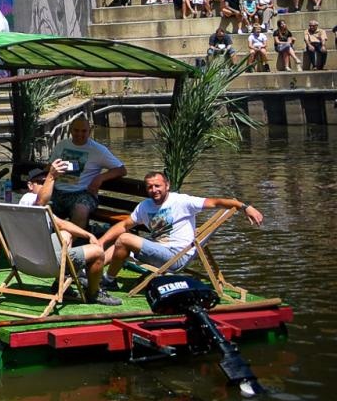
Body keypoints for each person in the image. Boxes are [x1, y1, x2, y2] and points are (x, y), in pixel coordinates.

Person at [100, 170, 262, 280]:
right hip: (158, 251)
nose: (154, 190)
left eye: (158, 186)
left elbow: (216, 202)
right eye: (150, 187)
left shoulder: (182, 201)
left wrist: (245, 207)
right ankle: (90, 272)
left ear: (167, 186)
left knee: (124, 239)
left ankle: (109, 280)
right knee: (118, 243)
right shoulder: (145, 206)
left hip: (176, 257)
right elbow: (124, 225)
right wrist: (100, 243)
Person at [18, 162, 119, 305]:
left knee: (65, 234)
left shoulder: (24, 204)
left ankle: (61, 283)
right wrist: (51, 176)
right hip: (43, 263)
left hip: (22, 260)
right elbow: (41, 201)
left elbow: (62, 223)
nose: (45, 184)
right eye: (41, 182)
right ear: (30, 185)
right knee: (97, 252)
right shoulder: (31, 200)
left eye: (47, 181)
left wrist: (88, 235)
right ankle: (94, 293)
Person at [47, 118, 127, 227]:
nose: (80, 134)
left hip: (83, 193)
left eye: (84, 131)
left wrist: (101, 177)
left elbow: (121, 169)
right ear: (70, 130)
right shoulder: (61, 145)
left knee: (81, 210)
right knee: (36, 204)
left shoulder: (99, 150)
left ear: (90, 131)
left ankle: (74, 241)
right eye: (76, 130)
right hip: (57, 191)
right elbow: (49, 167)